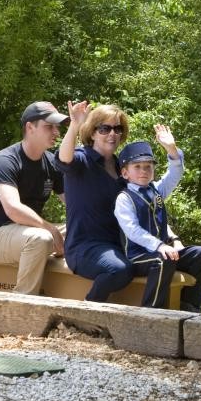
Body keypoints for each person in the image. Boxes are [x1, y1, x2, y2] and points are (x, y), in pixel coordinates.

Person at [114, 128, 201, 312]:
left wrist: (172, 150)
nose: (144, 170)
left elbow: (175, 174)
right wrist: (160, 246)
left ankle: (189, 305)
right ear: (125, 173)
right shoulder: (124, 198)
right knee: (162, 259)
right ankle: (153, 311)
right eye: (137, 167)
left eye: (148, 166)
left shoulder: (157, 189)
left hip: (164, 251)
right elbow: (132, 230)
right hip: (138, 257)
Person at [0, 102, 68, 295]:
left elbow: (72, 203)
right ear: (30, 127)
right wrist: (51, 229)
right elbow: (13, 209)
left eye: (57, 127)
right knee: (41, 238)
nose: (56, 133)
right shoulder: (4, 161)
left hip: (29, 230)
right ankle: (22, 305)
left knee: (79, 228)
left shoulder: (52, 162)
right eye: (49, 127)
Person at [56, 101, 134, 301]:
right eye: (104, 128)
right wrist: (74, 125)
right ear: (92, 133)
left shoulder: (122, 167)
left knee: (198, 256)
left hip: (119, 245)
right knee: (118, 269)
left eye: (117, 129)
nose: (112, 134)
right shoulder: (82, 160)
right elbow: (64, 159)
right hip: (84, 247)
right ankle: (88, 312)